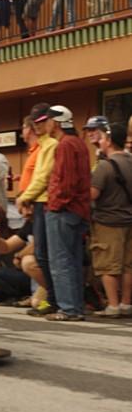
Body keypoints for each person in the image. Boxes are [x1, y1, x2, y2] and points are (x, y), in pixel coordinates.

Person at [44, 104, 92, 321]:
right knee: (73, 259)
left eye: (47, 120)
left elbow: (66, 182)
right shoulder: (79, 144)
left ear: (55, 122)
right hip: (79, 210)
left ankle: (68, 309)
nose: (45, 124)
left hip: (64, 210)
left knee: (60, 261)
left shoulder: (64, 145)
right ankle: (76, 307)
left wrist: (54, 205)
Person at [17, 103, 60, 316]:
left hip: (45, 203)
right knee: (42, 254)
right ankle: (52, 298)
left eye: (42, 121)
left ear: (51, 121)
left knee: (45, 254)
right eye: (36, 122)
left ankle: (54, 299)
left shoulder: (51, 144)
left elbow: (43, 177)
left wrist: (25, 197)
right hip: (39, 202)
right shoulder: (43, 145)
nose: (38, 126)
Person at [89, 122, 132, 317]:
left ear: (109, 141)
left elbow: (92, 194)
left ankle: (112, 305)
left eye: (103, 138)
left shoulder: (105, 166)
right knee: (128, 265)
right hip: (129, 220)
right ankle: (126, 303)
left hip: (108, 221)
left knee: (108, 265)